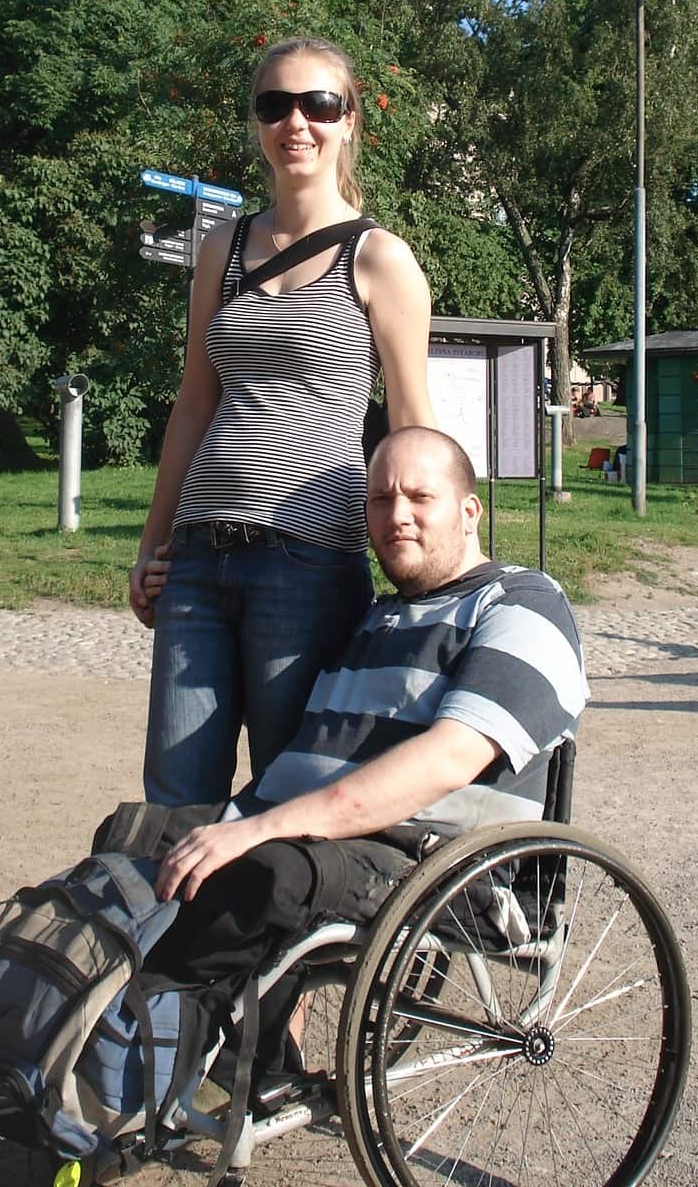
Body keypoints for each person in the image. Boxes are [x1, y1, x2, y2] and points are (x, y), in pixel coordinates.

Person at [143, 427, 589, 1034]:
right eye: (379, 500)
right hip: (324, 841)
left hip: (432, 864)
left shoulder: (522, 606)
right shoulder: (377, 619)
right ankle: (108, 1044)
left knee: (257, 879)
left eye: (418, 498)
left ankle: (151, 1062)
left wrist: (258, 828)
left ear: (469, 511)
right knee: (141, 841)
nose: (396, 516)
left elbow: (449, 759)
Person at [131, 37, 435, 808]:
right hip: (198, 555)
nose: (295, 122)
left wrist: (437, 574)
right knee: (176, 798)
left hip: (307, 562)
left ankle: (275, 935)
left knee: (287, 794)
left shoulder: (380, 259)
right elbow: (194, 402)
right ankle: (175, 934)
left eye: (318, 105)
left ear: (349, 121)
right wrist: (150, 545)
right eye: (275, 105)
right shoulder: (221, 249)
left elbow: (411, 429)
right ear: (257, 123)